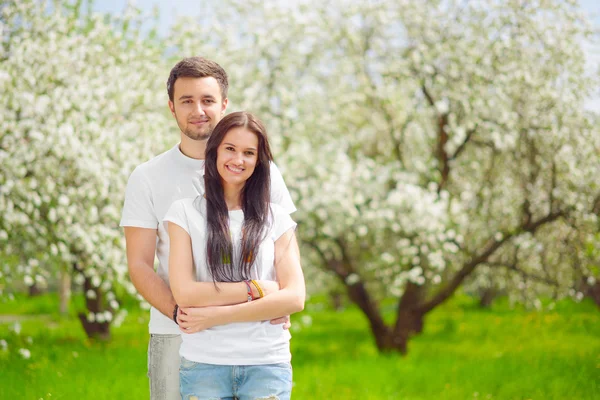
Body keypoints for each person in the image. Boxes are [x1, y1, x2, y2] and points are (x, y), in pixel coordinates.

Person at [120, 57, 296, 400]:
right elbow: (139, 264)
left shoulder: (262, 171)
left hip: (255, 339)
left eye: (208, 100)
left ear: (224, 105)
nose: (198, 110)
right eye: (187, 100)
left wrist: (274, 301)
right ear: (171, 107)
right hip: (175, 331)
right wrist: (182, 314)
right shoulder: (148, 176)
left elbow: (283, 250)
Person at [164, 111, 305, 400]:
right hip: (204, 363)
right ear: (214, 151)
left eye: (249, 153)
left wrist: (215, 316)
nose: (238, 160)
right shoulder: (184, 213)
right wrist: (259, 290)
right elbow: (184, 293)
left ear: (259, 161)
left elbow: (294, 298)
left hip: (266, 362)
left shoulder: (277, 218)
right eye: (230, 149)